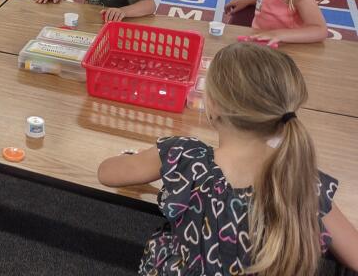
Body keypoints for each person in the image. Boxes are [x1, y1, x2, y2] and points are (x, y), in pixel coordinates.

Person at [97, 43, 358, 275]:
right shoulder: (304, 180)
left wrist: (138, 159)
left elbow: (106, 173)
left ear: (212, 105)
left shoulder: (185, 156)